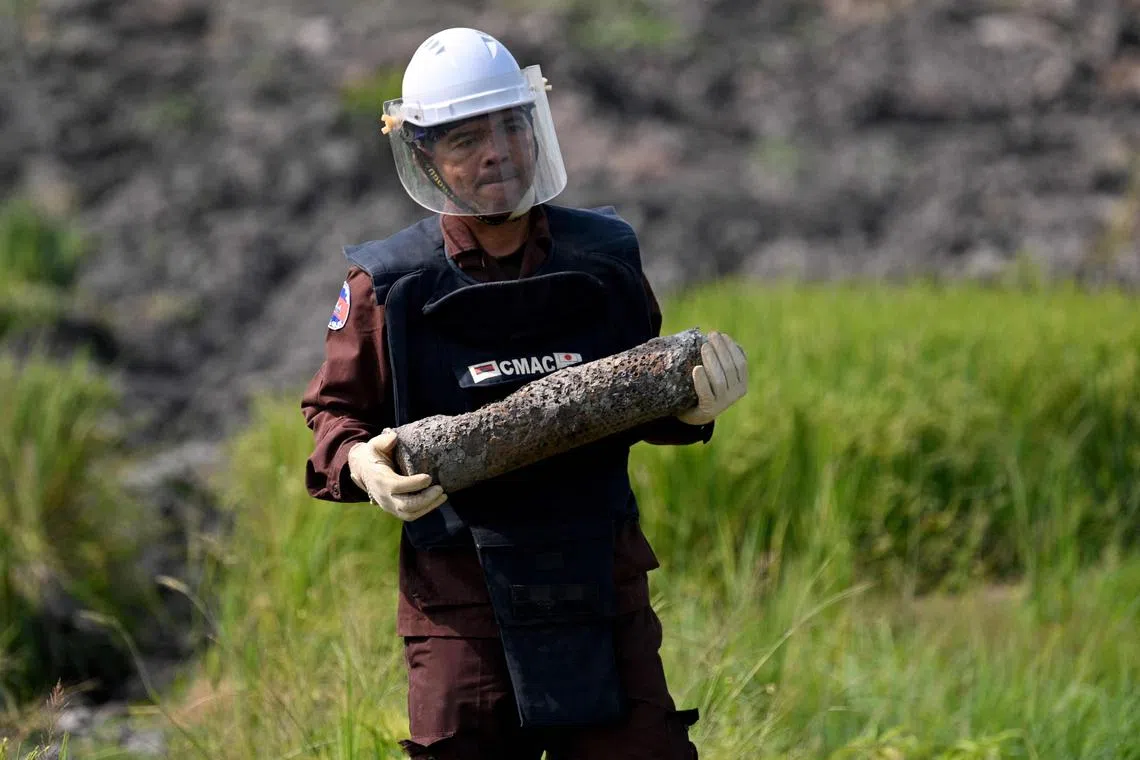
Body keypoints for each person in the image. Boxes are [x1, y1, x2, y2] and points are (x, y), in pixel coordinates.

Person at [301, 27, 749, 760]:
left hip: (599, 578)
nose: (496, 152)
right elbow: (335, 414)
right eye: (465, 138)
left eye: (512, 125)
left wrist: (696, 407)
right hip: (458, 593)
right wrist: (361, 464)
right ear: (423, 154)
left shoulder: (603, 258)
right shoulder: (389, 286)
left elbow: (644, 397)